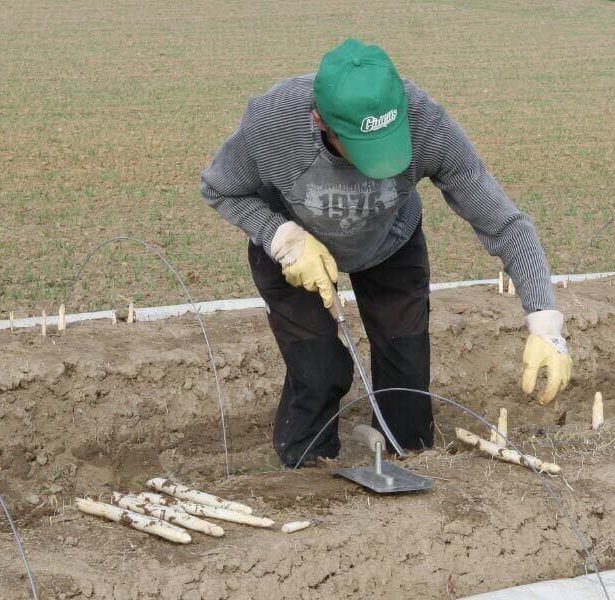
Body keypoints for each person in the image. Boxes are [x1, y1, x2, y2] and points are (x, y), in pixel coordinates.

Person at [201, 38, 572, 467]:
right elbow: (220, 188)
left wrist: (546, 323)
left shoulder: (427, 124)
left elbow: (504, 223)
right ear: (321, 121)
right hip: (294, 255)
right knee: (319, 372)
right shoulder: (273, 124)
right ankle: (304, 475)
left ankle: (410, 468)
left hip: (390, 244)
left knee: (406, 379)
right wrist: (280, 236)